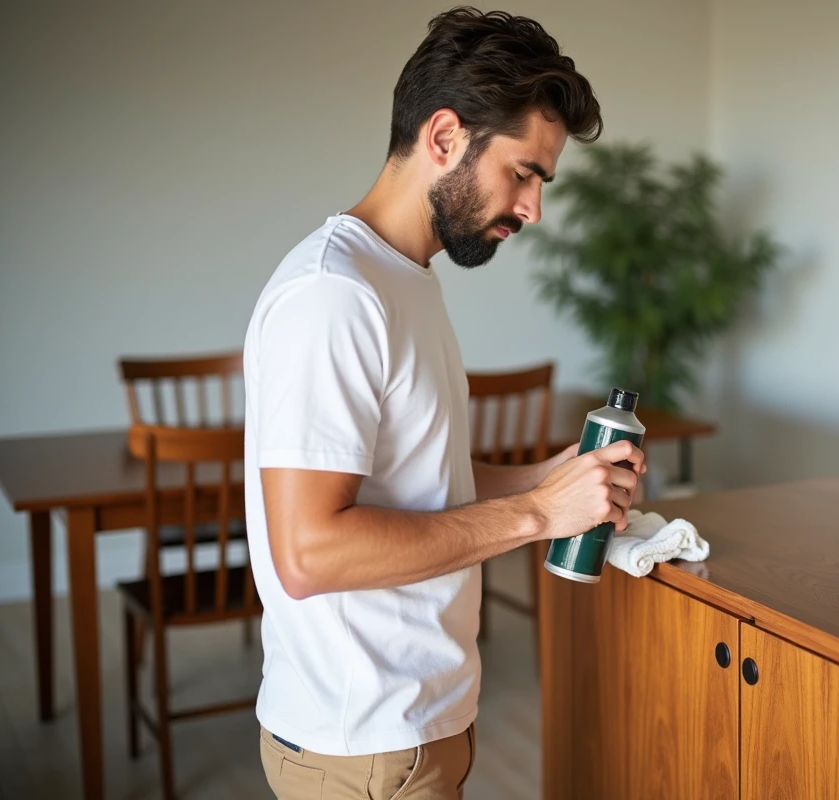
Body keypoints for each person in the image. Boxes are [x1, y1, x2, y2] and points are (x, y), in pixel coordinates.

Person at [242, 7, 646, 799]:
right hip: (360, 752)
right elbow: (309, 553)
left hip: (416, 729)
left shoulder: (401, 279)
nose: (533, 209)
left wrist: (546, 477)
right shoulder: (334, 294)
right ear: (444, 138)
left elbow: (421, 478)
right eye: (524, 172)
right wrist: (538, 518)